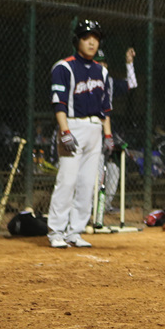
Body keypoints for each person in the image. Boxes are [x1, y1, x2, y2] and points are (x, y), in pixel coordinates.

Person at [47, 20, 112, 248]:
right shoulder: (63, 67)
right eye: (86, 37)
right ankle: (56, 231)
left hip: (95, 128)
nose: (92, 42)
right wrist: (64, 131)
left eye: (95, 38)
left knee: (87, 183)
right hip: (72, 126)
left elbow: (105, 108)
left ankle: (74, 231)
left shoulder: (102, 71)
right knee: (67, 180)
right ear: (77, 41)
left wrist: (108, 135)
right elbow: (59, 103)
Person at [97, 47, 138, 214]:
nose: (101, 66)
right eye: (97, 63)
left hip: (106, 129)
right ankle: (91, 207)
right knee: (96, 170)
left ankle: (104, 206)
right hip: (91, 128)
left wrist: (129, 63)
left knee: (113, 170)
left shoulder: (110, 82)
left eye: (103, 63)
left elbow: (132, 84)